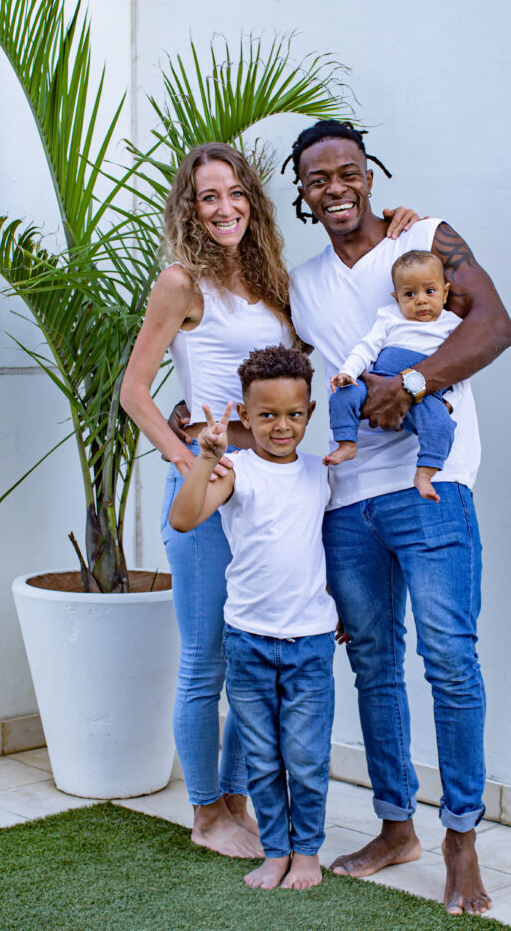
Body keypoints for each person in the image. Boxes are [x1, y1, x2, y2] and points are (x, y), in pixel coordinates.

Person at [121, 140, 417, 859]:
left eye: (234, 193)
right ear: (190, 209)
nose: (223, 208)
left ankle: (236, 803)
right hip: (211, 481)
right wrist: (187, 456)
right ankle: (205, 813)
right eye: (208, 196)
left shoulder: (273, 282)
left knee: (248, 647)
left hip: (270, 486)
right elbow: (133, 392)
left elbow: (335, 334)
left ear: (252, 201)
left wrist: (395, 232)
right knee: (206, 659)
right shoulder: (181, 283)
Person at [285, 119, 511, 916]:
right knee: (374, 665)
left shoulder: (424, 239)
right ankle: (394, 827)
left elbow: (493, 325)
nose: (336, 187)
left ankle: (460, 839)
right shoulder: (303, 283)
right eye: (318, 178)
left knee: (449, 660)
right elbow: (274, 366)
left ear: (369, 175)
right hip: (349, 499)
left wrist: (411, 384)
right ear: (303, 194)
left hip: (431, 485)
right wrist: (196, 415)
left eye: (347, 171)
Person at [168, 345, 338, 890]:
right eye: (267, 415)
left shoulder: (322, 473)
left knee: (306, 757)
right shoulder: (235, 470)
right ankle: (276, 851)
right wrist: (204, 458)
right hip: (248, 641)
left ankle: (307, 853)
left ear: (310, 413)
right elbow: (183, 518)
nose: (281, 426)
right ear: (245, 414)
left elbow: (335, 546)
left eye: (293, 414)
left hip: (310, 642)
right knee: (261, 758)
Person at [325, 250, 464, 502]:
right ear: (396, 298)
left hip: (425, 396)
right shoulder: (390, 317)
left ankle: (425, 473)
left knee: (442, 426)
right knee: (343, 393)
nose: (420, 300)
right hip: (377, 382)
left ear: (445, 293)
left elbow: (461, 370)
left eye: (429, 291)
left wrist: (450, 403)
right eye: (409, 294)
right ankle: (346, 443)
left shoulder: (451, 325)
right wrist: (347, 372)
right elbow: (366, 347)